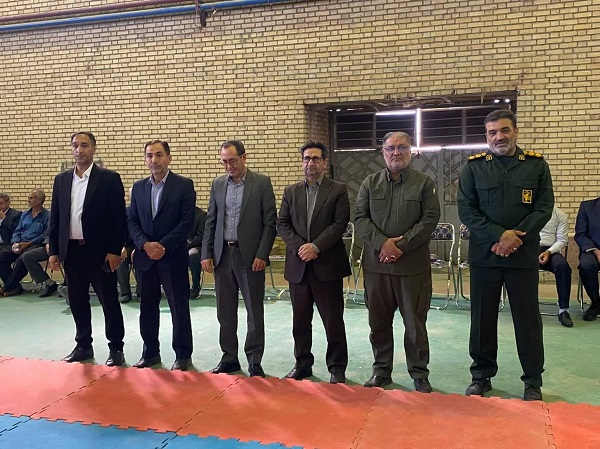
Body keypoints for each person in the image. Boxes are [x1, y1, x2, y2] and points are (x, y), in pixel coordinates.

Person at [457, 109, 554, 401]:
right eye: (492, 132)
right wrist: (500, 236)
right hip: (485, 255)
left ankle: (532, 380)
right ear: (486, 136)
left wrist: (514, 238)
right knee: (482, 319)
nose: (499, 137)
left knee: (527, 319)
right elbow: (467, 211)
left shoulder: (536, 165)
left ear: (515, 131)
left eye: (504, 130)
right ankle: (481, 375)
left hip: (522, 255)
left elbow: (543, 208)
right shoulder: (473, 168)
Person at [354, 131, 440, 393]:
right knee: (378, 323)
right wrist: (383, 243)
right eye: (390, 148)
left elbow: (429, 220)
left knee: (415, 324)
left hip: (412, 268)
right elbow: (360, 218)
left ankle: (419, 374)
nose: (396, 153)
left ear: (410, 151)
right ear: (383, 152)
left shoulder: (424, 183)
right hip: (377, 267)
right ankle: (381, 371)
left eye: (402, 147)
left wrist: (399, 247)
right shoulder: (370, 183)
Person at [48, 131, 127, 367]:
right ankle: (83, 345)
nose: (79, 150)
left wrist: (115, 250)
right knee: (77, 300)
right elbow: (56, 218)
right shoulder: (61, 180)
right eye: (75, 145)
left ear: (93, 149)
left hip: (100, 252)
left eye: (84, 145)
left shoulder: (109, 179)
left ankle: (116, 348)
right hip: (71, 251)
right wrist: (54, 251)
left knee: (108, 300)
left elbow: (119, 218)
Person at [277, 141, 351, 384]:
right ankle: (302, 364)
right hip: (299, 266)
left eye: (316, 158)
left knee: (333, 320)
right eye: (307, 158)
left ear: (324, 163)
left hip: (327, 265)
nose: (311, 163)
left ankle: (337, 367)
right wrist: (301, 247)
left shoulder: (338, 190)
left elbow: (339, 224)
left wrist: (316, 247)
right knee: (300, 321)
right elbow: (282, 224)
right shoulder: (291, 191)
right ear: (302, 162)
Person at [201, 140, 276, 378]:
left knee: (254, 311)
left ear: (244, 157)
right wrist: (206, 253)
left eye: (232, 161)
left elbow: (270, 223)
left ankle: (254, 360)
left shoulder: (261, 183)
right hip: (223, 256)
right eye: (224, 162)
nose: (228, 166)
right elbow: (211, 220)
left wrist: (262, 254)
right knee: (225, 312)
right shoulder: (218, 184)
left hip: (250, 257)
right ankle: (229, 358)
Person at [128, 140, 196, 371]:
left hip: (173, 256)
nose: (154, 160)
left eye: (159, 155)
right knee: (147, 307)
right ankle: (150, 353)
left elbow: (187, 221)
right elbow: (132, 220)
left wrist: (162, 246)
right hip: (145, 257)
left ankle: (183, 355)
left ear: (169, 158)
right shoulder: (138, 187)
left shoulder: (183, 185)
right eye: (149, 156)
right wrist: (145, 245)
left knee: (179, 306)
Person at [0, 189, 49, 297]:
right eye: (28, 198)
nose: (28, 200)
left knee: (23, 258)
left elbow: (45, 234)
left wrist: (28, 244)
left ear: (39, 200)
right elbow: (17, 230)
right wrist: (15, 242)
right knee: (1, 258)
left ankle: (6, 287)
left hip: (35, 244)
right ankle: (15, 287)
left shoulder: (47, 216)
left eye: (31, 198)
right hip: (20, 243)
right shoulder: (25, 215)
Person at [538, 207, 572, 327]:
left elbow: (562, 240)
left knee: (563, 267)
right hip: (529, 249)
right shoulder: (526, 210)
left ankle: (563, 310)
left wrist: (549, 252)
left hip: (550, 250)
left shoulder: (559, 214)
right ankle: (526, 307)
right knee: (522, 267)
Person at [574, 196, 600, 321]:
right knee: (586, 265)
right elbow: (580, 235)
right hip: (591, 250)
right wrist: (596, 251)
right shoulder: (587, 207)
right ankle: (596, 303)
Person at [188, 206, 207, 299]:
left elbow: (201, 235)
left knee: (193, 254)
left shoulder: (202, 215)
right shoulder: (177, 213)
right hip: (179, 245)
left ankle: (196, 286)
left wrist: (188, 245)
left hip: (196, 245)